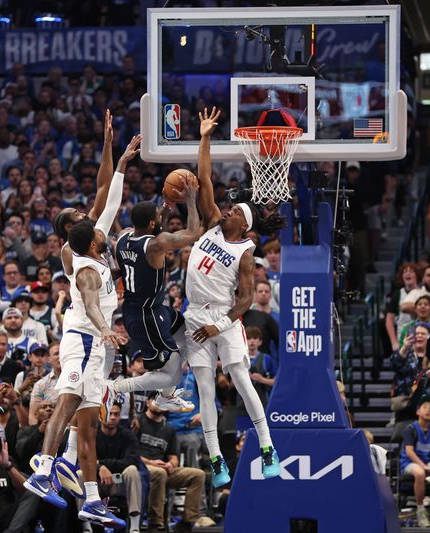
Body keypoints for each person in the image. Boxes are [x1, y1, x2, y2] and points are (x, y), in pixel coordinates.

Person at [25, 138, 136, 527]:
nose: (88, 214)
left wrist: (114, 154)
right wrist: (107, 328)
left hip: (97, 345)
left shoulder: (94, 244)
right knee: (68, 400)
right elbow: (89, 301)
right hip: (86, 337)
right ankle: (44, 466)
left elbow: (107, 193)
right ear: (71, 231)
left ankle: (90, 499)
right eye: (78, 216)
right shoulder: (78, 256)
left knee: (88, 422)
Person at [186, 107, 283, 488]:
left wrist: (219, 326)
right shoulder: (211, 223)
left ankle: (267, 445)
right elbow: (205, 178)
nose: (224, 210)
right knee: (205, 390)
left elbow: (244, 301)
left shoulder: (245, 252)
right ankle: (215, 459)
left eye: (232, 211)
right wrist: (205, 136)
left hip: (223, 321)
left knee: (241, 380)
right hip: (195, 316)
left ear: (243, 222)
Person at [111, 174, 200, 412]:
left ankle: (166, 398)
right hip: (145, 315)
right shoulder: (156, 245)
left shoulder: (123, 237)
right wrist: (191, 199)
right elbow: (193, 233)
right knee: (171, 375)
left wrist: (165, 208)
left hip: (147, 308)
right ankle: (117, 387)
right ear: (152, 224)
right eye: (156, 218)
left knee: (186, 335)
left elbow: (150, 226)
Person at [138, 394, 206, 533]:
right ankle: (156, 523)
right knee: (160, 473)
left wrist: (171, 464)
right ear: (148, 403)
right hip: (142, 468)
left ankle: (188, 521)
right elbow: (131, 454)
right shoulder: (138, 422)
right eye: (157, 401)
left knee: (198, 475)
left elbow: (173, 456)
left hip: (162, 469)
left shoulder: (168, 429)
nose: (160, 404)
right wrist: (151, 462)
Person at [96, 402, 143, 533]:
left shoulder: (128, 435)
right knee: (81, 473)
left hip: (119, 481)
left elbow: (132, 461)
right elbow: (82, 459)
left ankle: (134, 527)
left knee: (132, 470)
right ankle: (86, 528)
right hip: (97, 483)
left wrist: (102, 463)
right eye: (109, 414)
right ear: (100, 415)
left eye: (116, 414)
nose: (112, 417)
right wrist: (99, 467)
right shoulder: (92, 434)